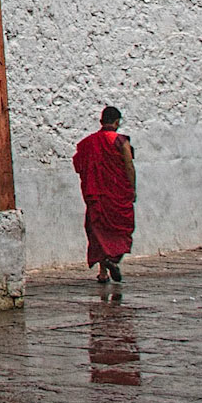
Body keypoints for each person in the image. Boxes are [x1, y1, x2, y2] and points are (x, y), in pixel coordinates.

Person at [72, 105, 135, 283]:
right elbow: (129, 166)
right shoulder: (121, 141)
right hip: (118, 194)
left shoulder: (88, 143)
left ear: (101, 121)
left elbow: (79, 166)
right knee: (122, 229)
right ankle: (113, 260)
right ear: (117, 122)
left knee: (99, 231)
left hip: (97, 194)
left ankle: (103, 273)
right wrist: (132, 188)